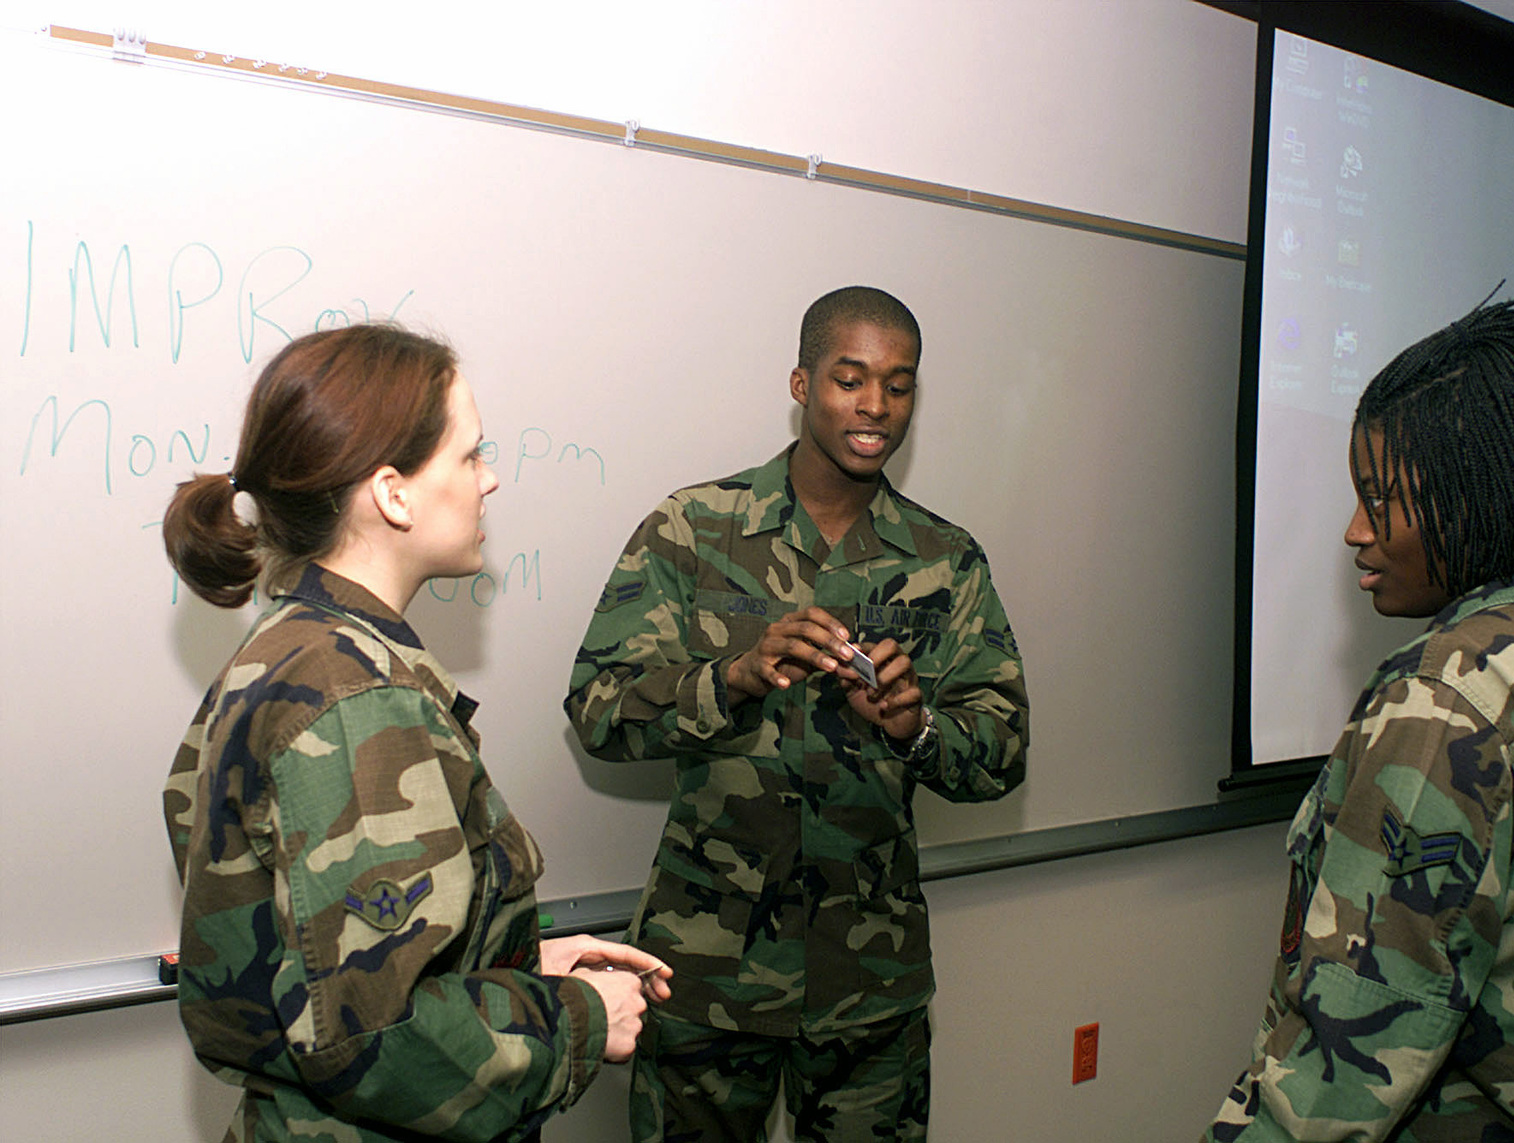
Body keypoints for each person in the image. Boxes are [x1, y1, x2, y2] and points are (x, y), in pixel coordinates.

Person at [162, 324, 670, 1143]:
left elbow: (308, 958)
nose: (490, 479)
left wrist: (512, 968)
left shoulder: (291, 648)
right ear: (393, 493)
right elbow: (378, 1037)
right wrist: (575, 1015)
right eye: (469, 456)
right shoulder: (353, 696)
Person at [564, 285, 1029, 1142]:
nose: (875, 407)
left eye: (899, 384)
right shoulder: (695, 530)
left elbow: (1002, 752)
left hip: (869, 987)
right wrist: (731, 676)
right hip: (706, 976)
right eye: (850, 379)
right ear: (801, 382)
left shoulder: (946, 561)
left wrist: (916, 727)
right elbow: (598, 710)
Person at [1204, 294, 1514, 1142]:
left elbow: (1338, 1075)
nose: (1355, 530)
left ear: (1473, 497)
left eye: (1381, 499)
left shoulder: (1446, 702)